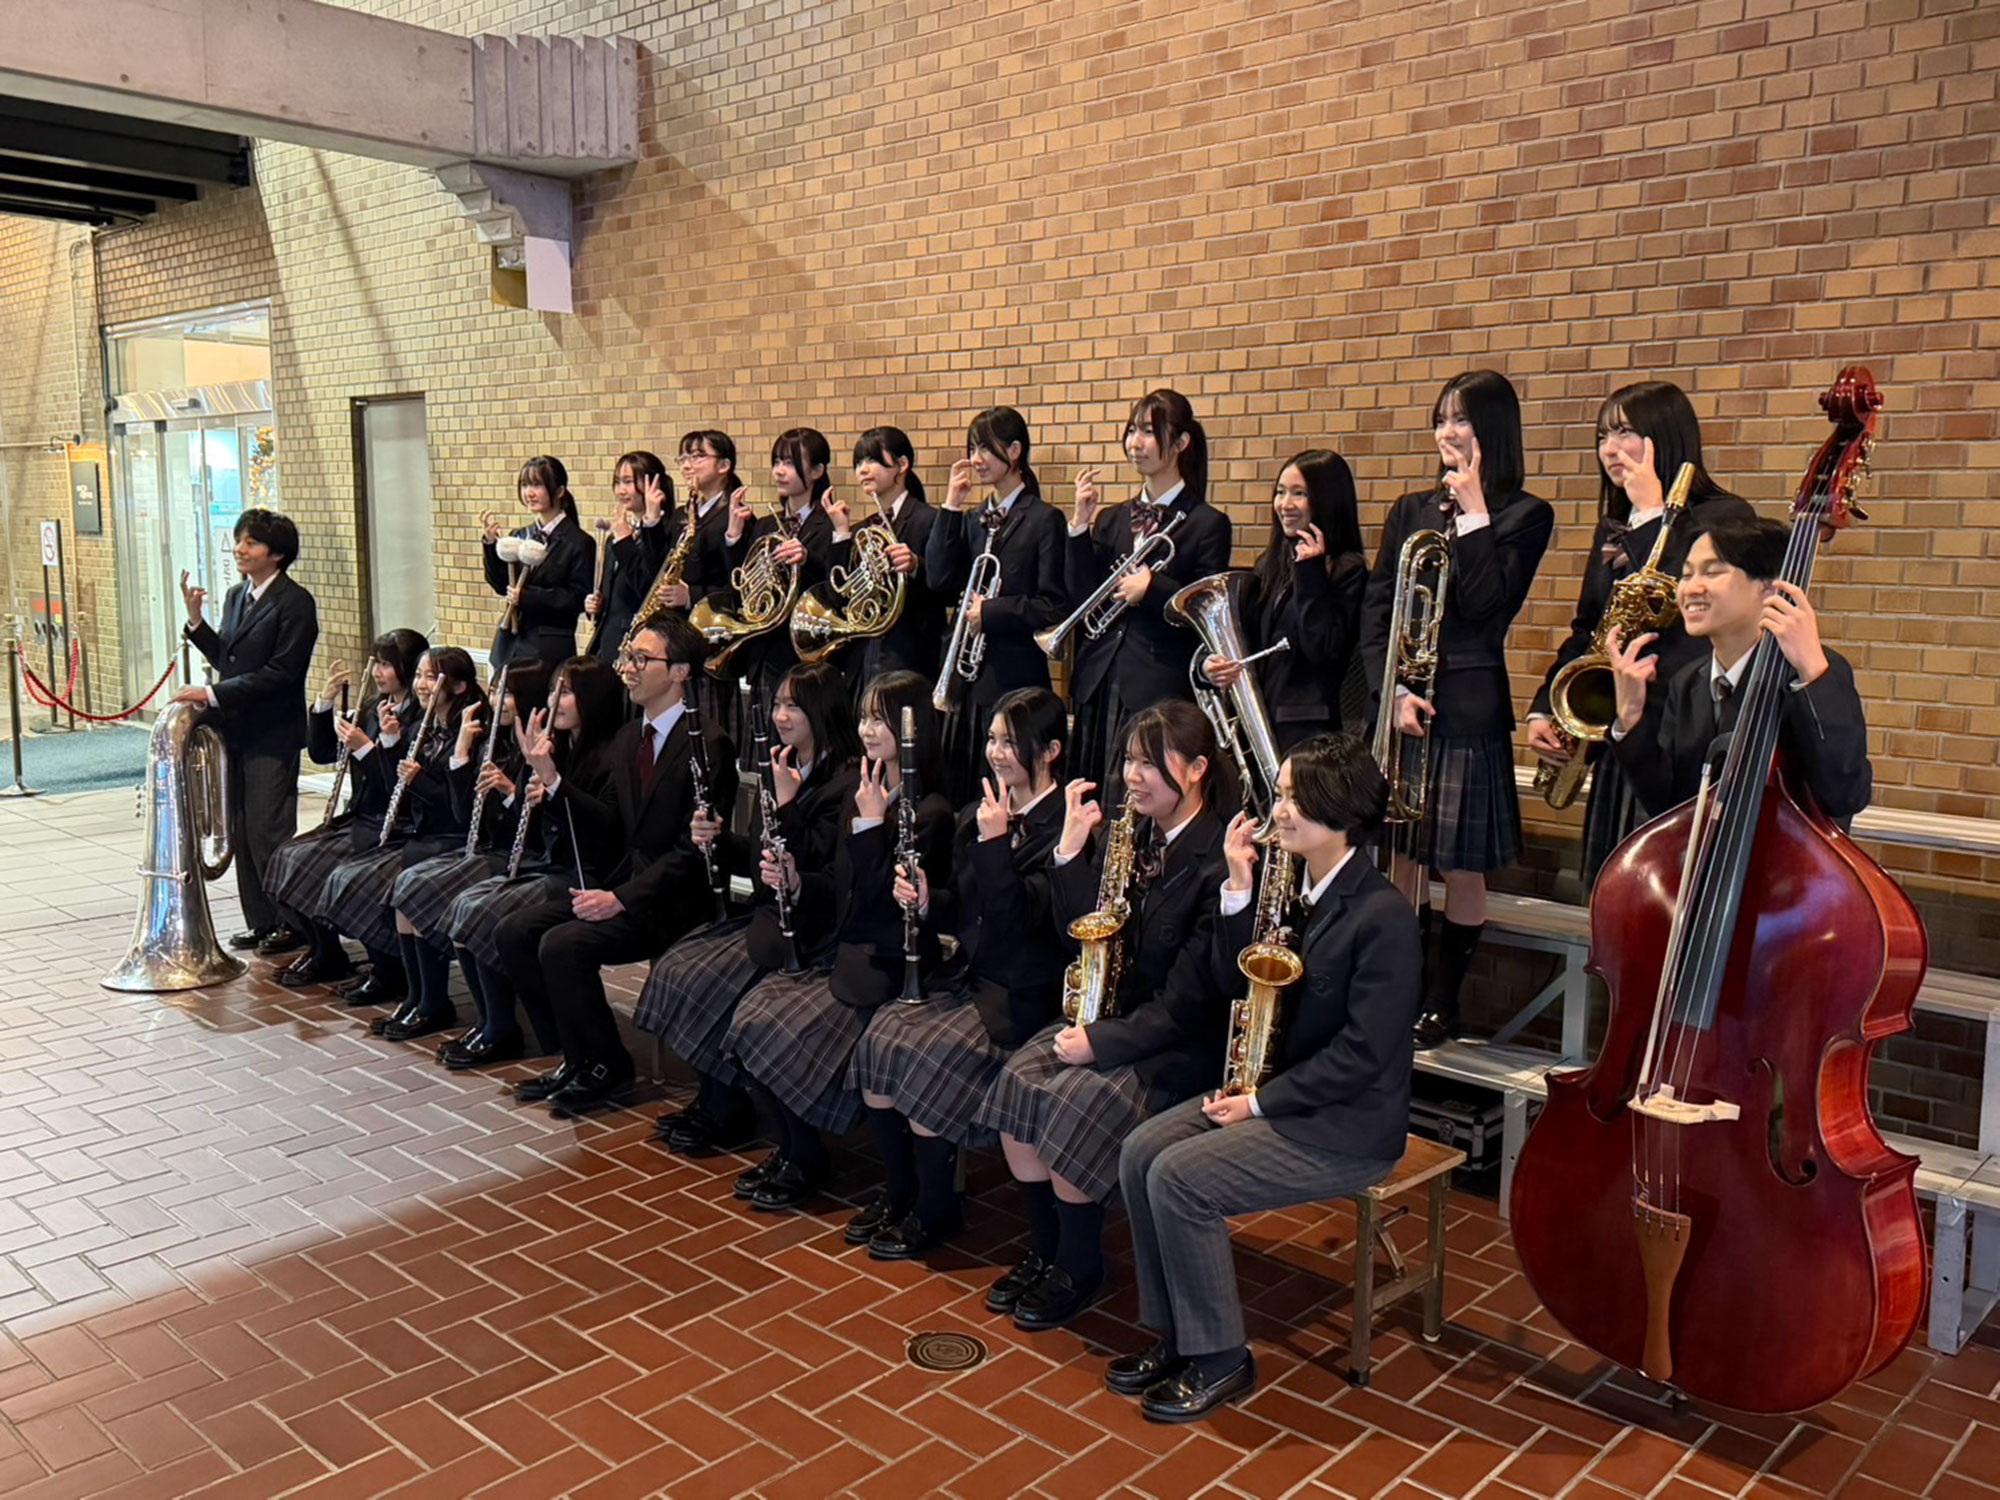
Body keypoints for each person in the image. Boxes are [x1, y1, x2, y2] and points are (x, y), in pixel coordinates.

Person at [1110, 731, 1422, 1423]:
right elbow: (1235, 983)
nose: (1277, 811)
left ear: (1338, 808)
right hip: (1275, 1092)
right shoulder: (1294, 888)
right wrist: (1237, 889)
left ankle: (1221, 1356)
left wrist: (1259, 1103)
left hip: (1346, 1125)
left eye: (1293, 798)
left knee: (1181, 1179)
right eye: (1280, 795)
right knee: (1140, 1152)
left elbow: (1364, 1055)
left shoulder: (1384, 917)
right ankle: (1178, 1335)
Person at [976, 700, 1232, 1330]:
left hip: (1174, 1047)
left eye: (1149, 763)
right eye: (1129, 761)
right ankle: (1046, 1249)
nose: (1131, 776)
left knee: (1072, 1104)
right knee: (1018, 1080)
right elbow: (1084, 934)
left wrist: (1102, 1041)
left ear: (1197, 769)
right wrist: (1069, 852)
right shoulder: (1134, 835)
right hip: (1112, 1020)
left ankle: (1080, 1263)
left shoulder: (1218, 860)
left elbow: (1190, 1004)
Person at [1360, 370, 1553, 1049]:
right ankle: (1404, 989)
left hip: (1467, 709)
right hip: (1405, 705)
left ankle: (1444, 1001)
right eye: (1441, 419)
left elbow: (1486, 605)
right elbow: (1379, 605)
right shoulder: (1410, 509)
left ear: (1492, 429)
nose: (1447, 431)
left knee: (1461, 864)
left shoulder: (1526, 514)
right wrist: (1391, 692)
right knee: (1402, 859)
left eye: (1461, 419)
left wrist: (1474, 514)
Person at [848, 687, 1070, 1259]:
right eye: (992, 739)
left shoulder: (1065, 828)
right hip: (968, 979)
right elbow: (964, 911)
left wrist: (996, 845)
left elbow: (1021, 924)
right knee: (881, 1037)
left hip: (1021, 994)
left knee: (931, 1056)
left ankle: (937, 1208)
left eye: (1011, 742)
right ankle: (901, 1192)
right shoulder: (980, 812)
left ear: (1050, 751)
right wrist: (927, 901)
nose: (996, 753)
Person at [722, 672, 956, 1212]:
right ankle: (793, 1149)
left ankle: (813, 1157)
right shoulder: (864, 793)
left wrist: (872, 827)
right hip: (845, 953)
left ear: (913, 730)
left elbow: (885, 907)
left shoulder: (932, 812)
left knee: (778, 1031)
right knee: (750, 1019)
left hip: (885, 965)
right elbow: (841, 889)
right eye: (866, 717)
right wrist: (796, 881)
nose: (867, 730)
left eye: (881, 719)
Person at [494, 615, 740, 1117]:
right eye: (629, 657)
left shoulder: (707, 742)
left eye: (642, 659)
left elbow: (692, 850)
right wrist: (553, 781)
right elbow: (609, 825)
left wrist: (621, 899)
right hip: (624, 885)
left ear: (680, 672)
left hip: (672, 899)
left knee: (562, 945)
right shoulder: (630, 738)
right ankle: (575, 1054)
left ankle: (608, 1064)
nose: (628, 668)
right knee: (514, 931)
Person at [1527, 381, 1757, 887]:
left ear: (1664, 435)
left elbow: (1689, 602)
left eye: (1625, 432)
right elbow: (1589, 625)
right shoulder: (1615, 526)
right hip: (1622, 736)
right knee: (1610, 893)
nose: (1610, 449)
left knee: (1667, 895)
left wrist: (1655, 515)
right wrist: (1546, 706)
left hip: (1679, 740)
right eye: (1603, 436)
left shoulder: (1724, 517)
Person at [638, 659, 861, 1153]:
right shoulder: (784, 764)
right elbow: (761, 856)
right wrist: (719, 840)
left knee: (713, 981)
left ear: (822, 711)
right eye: (777, 704)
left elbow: (823, 870)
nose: (780, 716)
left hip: (811, 927)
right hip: (768, 912)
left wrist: (787, 804)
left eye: (793, 707)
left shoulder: (844, 782)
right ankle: (716, 1097)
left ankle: (730, 1108)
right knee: (680, 968)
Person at [1607, 514, 1871, 822]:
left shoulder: (1814, 671)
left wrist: (1812, 674)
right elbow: (1668, 807)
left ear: (1769, 588)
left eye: (1712, 572)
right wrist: (1630, 717)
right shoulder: (1688, 681)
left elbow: (1845, 796)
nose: (1690, 588)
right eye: (1687, 574)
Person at [441, 655, 628, 1068]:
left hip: (589, 873)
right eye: (553, 690)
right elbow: (536, 828)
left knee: (484, 914)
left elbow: (605, 829)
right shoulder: (559, 746)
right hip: (550, 863)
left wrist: (551, 786)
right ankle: (497, 1023)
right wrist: (527, 792)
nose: (556, 699)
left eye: (568, 692)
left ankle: (523, 1032)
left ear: (593, 698)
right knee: (465, 906)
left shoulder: (613, 753)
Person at [1066, 391, 1232, 789]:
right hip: (1099, 678)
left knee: (1140, 799)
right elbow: (1081, 597)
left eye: (1147, 432)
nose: (1134, 443)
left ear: (1181, 442)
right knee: (1090, 797)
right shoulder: (1112, 518)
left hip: (1157, 684)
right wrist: (1079, 526)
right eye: (1131, 431)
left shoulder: (1208, 523)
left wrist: (1154, 588)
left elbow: (1206, 609)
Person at [315, 647, 484, 1029]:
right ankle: (417, 996)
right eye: (420, 676)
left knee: (406, 888)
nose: (421, 685)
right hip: (425, 835)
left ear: (459, 686)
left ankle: (432, 1001)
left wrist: (418, 777)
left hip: (452, 837)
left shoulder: (471, 730)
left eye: (431, 677)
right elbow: (396, 787)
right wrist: (390, 743)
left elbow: (458, 807)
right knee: (380, 885)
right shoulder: (428, 725)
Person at [175, 508, 319, 951]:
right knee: (239, 829)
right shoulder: (238, 595)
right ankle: (260, 921)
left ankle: (292, 924)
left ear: (277, 554)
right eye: (240, 540)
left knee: (267, 831)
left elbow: (282, 673)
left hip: (272, 734)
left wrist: (212, 693)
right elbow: (229, 658)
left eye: (251, 542)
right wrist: (196, 622)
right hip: (236, 730)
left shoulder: (295, 603)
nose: (240, 549)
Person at [385, 659, 550, 1042]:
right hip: (493, 848)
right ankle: (424, 1000)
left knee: (452, 902)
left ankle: (495, 1023)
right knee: (407, 887)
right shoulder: (492, 740)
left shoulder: (541, 746)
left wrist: (510, 792)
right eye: (494, 691)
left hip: (524, 856)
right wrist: (462, 751)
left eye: (507, 693)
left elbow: (538, 832)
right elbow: (464, 812)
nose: (497, 701)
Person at [926, 407, 1069, 804]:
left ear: (1015, 451)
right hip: (965, 685)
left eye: (986, 448)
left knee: (1007, 797)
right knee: (962, 795)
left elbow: (1054, 605)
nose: (976, 459)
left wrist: (990, 613)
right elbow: (938, 579)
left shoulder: (1045, 519)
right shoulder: (972, 519)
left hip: (1014, 681)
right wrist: (951, 508)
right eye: (972, 449)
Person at [268, 629, 427, 987]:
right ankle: (324, 950)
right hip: (363, 816)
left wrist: (367, 748)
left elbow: (399, 785)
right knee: (288, 857)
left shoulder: (420, 717)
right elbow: (324, 752)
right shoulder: (372, 705)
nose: (378, 672)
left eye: (387, 664)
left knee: (336, 872)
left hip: (398, 824)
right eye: (377, 663)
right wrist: (324, 705)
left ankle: (385, 967)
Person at [1200, 449, 1369, 751]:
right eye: (1280, 492)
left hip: (1308, 735)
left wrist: (1311, 571)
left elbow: (1323, 649)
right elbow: (1244, 637)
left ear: (1326, 500)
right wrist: (1209, 665)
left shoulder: (1347, 569)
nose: (1284, 504)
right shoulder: (1270, 564)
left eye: (1299, 493)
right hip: (1255, 724)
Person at [715, 429, 837, 702]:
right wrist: (734, 536)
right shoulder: (765, 525)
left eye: (790, 463)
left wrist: (807, 559)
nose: (779, 471)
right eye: (777, 462)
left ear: (817, 471)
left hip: (806, 657)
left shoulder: (831, 524)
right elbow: (741, 587)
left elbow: (835, 588)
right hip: (764, 655)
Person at [820, 427, 944, 687]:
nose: (862, 470)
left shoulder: (930, 520)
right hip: (862, 661)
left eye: (872, 460)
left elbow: (945, 588)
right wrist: (841, 533)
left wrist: (915, 565)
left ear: (902, 464)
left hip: (909, 660)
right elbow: (838, 596)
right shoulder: (861, 529)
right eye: (858, 463)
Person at [480, 456, 597, 676]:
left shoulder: (579, 542)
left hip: (548, 650)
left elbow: (576, 598)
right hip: (508, 646)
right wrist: (490, 544)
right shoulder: (520, 534)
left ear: (559, 491)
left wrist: (527, 597)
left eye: (537, 485)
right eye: (525, 485)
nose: (529, 493)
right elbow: (501, 585)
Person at [584, 451, 675, 663]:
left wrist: (624, 541)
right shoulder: (616, 536)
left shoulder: (665, 532)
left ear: (652, 484)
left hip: (641, 646)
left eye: (628, 482)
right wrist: (595, 605)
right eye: (617, 482)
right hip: (608, 643)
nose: (620, 490)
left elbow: (647, 589)